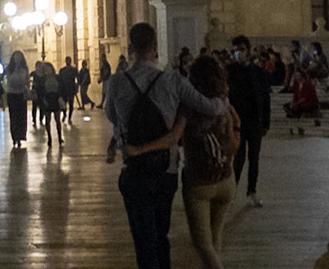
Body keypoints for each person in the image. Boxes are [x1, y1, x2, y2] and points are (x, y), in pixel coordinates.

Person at [105, 23, 227, 269]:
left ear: (130, 47)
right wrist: (224, 98)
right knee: (161, 234)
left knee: (143, 239)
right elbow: (210, 107)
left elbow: (112, 117)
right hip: (165, 169)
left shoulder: (117, 82)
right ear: (155, 46)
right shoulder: (172, 81)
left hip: (133, 167)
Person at [180, 54, 242, 269]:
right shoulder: (225, 103)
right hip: (225, 176)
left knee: (203, 244)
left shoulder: (189, 107)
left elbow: (177, 134)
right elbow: (236, 125)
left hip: (199, 180)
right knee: (215, 241)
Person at [224, 35, 271, 207]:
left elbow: (265, 99)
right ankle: (232, 191)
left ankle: (252, 191)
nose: (239, 53)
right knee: (238, 158)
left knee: (254, 159)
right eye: (236, 50)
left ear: (248, 51)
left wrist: (266, 122)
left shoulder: (258, 73)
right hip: (237, 122)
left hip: (254, 121)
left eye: (241, 49)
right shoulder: (229, 72)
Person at [3, 50, 30, 150]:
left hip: (21, 93)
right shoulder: (9, 68)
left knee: (21, 116)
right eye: (16, 57)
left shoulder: (25, 69)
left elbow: (26, 81)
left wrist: (27, 89)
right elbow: (7, 79)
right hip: (12, 93)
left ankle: (21, 136)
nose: (17, 59)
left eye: (19, 57)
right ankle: (15, 137)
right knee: (13, 116)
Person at [59, 57, 79, 123]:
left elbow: (77, 79)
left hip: (70, 89)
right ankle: (65, 115)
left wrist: (76, 87)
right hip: (65, 89)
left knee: (70, 105)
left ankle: (69, 117)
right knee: (65, 104)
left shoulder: (72, 70)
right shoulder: (63, 70)